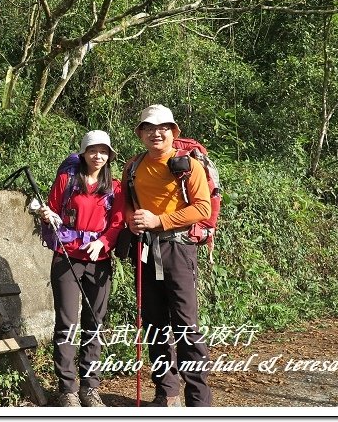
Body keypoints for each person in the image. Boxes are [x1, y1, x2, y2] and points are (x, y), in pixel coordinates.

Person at [122, 105, 212, 407]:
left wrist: (158, 221)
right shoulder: (133, 165)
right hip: (146, 248)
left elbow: (203, 209)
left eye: (162, 128)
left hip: (178, 248)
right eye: (149, 128)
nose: (156, 133)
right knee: (154, 322)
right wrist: (133, 221)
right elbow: (127, 202)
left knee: (185, 323)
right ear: (141, 134)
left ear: (173, 132)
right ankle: (166, 391)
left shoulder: (188, 165)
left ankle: (198, 400)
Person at [38, 130, 125, 407]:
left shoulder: (116, 186)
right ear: (84, 152)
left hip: (99, 261)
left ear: (109, 155)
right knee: (67, 323)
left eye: (103, 151)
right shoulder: (67, 179)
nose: (98, 156)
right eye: (92, 150)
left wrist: (103, 243)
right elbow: (52, 209)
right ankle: (68, 389)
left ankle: (90, 387)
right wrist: (45, 214)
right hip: (67, 256)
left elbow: (117, 222)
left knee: (94, 324)